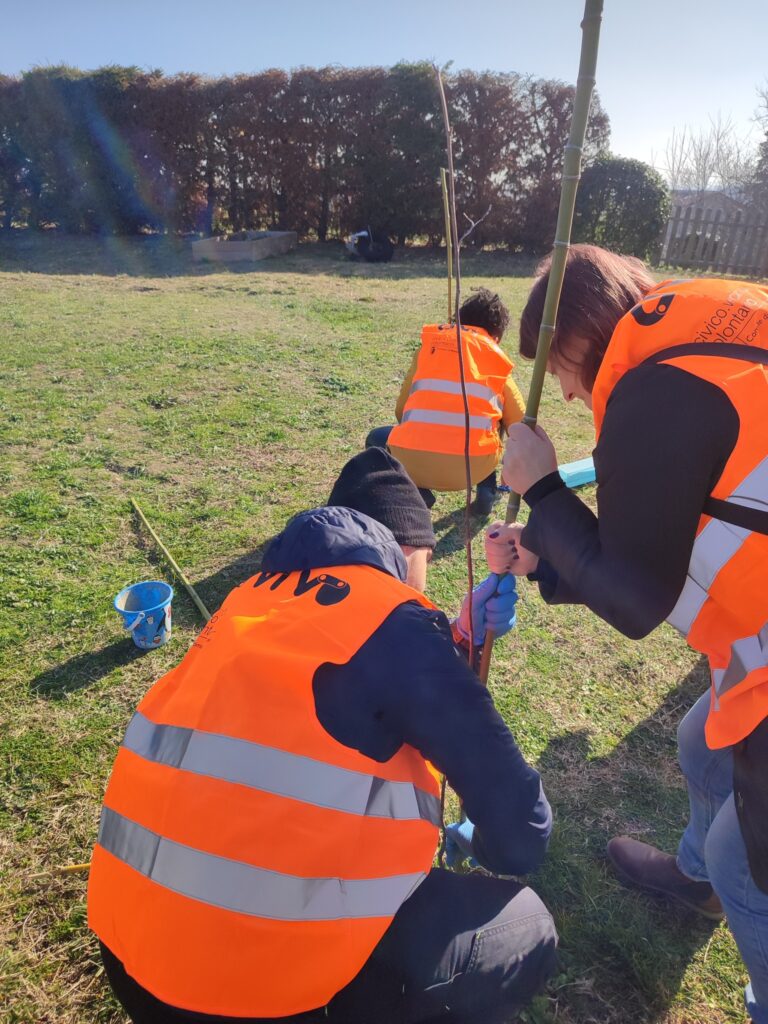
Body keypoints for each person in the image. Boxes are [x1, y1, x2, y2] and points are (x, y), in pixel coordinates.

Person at [88, 447, 557, 1024]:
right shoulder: (394, 619)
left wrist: (455, 637)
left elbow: (340, 698)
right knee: (527, 925)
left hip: (126, 956)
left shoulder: (247, 604)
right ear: (405, 551)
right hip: (252, 1003)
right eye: (426, 565)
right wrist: (479, 840)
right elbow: (522, 839)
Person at [484, 244, 768, 1023]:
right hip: (757, 639)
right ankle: (697, 886)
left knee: (748, 867)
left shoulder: (654, 388)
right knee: (701, 741)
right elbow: (654, 547)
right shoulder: (705, 340)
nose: (569, 393)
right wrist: (544, 557)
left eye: (561, 368)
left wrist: (541, 488)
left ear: (581, 333)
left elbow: (638, 599)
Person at [366, 288, 526, 515]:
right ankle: (486, 493)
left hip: (411, 459)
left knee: (375, 439)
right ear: (496, 337)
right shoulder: (495, 359)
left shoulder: (428, 349)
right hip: (474, 468)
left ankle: (416, 493)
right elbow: (519, 423)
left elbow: (402, 412)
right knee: (495, 419)